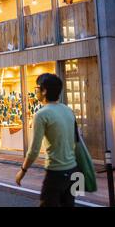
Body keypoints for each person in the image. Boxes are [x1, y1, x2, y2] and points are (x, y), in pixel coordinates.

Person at [15, 73, 79, 207]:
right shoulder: (68, 110)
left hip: (55, 173)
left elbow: (34, 150)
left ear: (44, 91)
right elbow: (75, 141)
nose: (35, 91)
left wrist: (23, 170)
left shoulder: (41, 114)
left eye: (37, 88)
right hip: (73, 170)